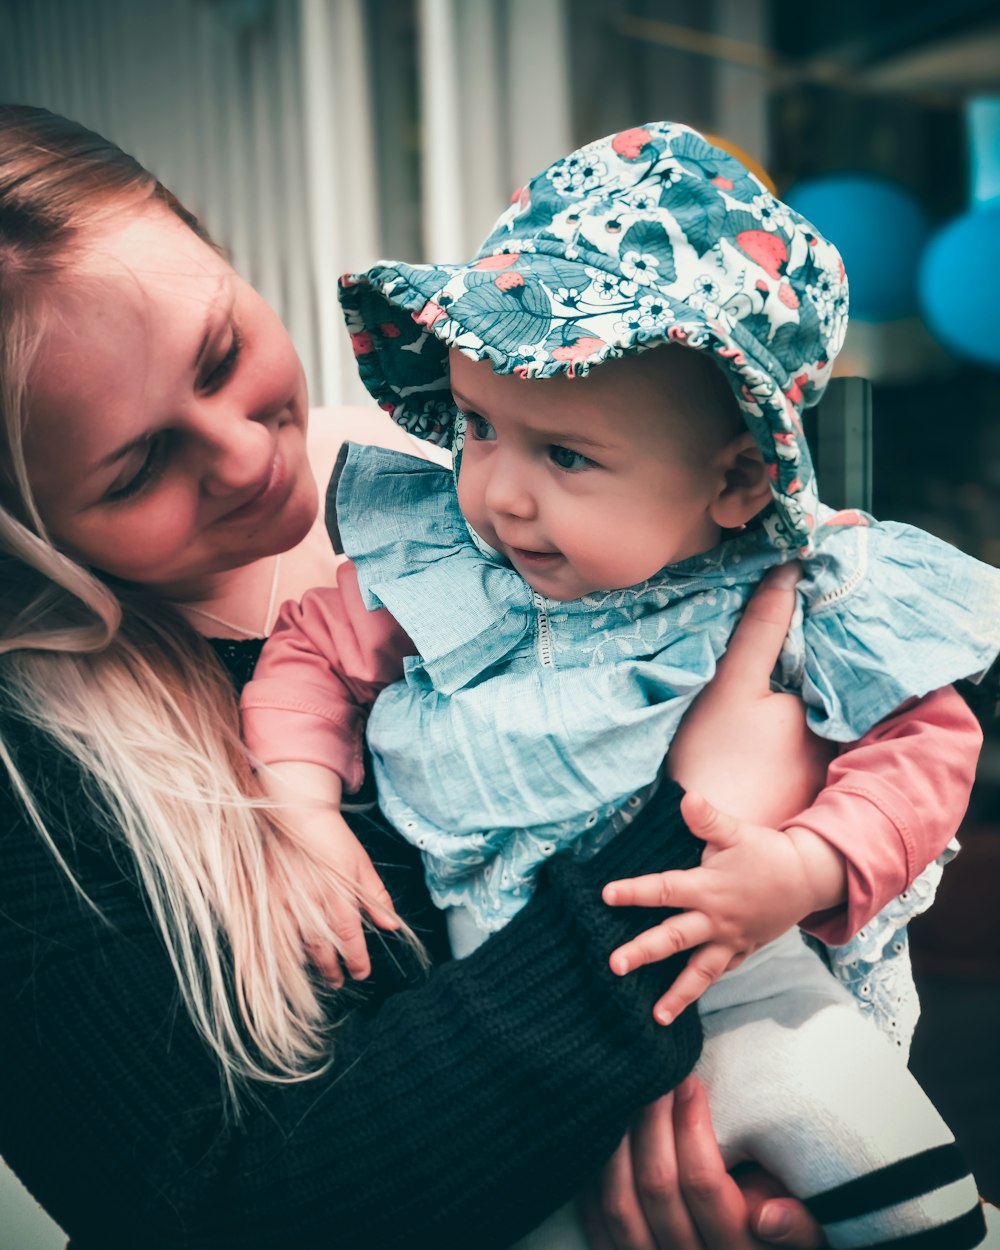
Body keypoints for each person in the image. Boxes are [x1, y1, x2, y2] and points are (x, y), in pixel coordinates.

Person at [0, 102, 885, 1250]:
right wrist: (689, 831)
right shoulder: (34, 772)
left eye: (222, 354)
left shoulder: (452, 501)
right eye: (137, 468)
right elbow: (219, 1209)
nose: (246, 452)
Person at [241, 122, 997, 1248]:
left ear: (737, 477)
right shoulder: (447, 569)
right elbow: (307, 649)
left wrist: (804, 862)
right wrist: (301, 801)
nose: (499, 493)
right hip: (507, 1030)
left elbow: (924, 746)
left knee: (870, 1140)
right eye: (482, 428)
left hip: (744, 987)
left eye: (567, 456)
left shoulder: (802, 591)